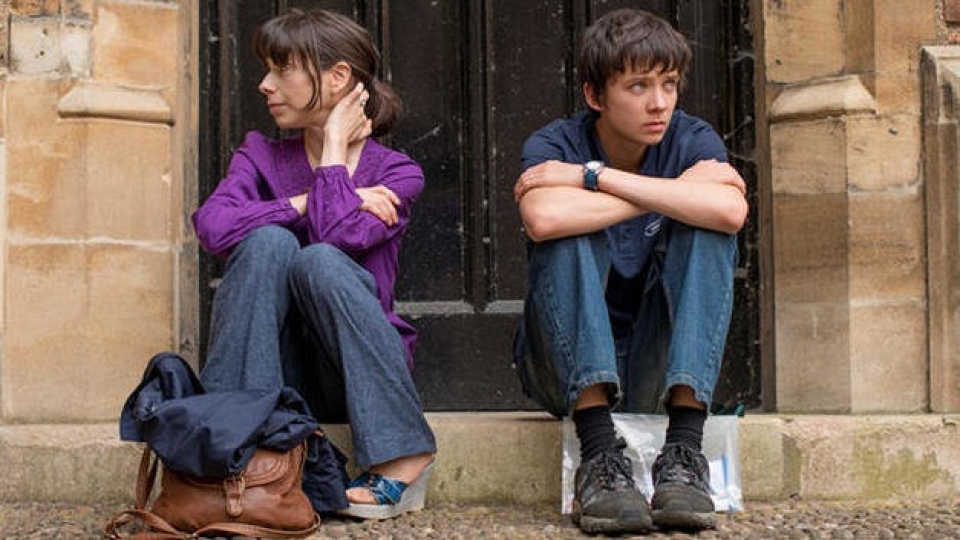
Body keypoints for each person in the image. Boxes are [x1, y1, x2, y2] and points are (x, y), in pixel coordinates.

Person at [192, 8, 436, 520]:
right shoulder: (260, 155)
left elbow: (338, 236)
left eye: (282, 69)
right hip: (268, 367)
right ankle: (234, 449)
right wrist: (303, 202)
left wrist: (332, 152)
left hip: (350, 372)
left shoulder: (397, 174)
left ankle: (403, 453)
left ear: (338, 77)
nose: (265, 85)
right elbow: (213, 228)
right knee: (267, 244)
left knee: (319, 261)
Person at [512, 8, 748, 534]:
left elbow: (731, 213)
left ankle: (684, 453)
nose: (659, 102)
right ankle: (599, 457)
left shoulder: (692, 138)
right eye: (638, 86)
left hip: (655, 363)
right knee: (567, 234)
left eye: (669, 84)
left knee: (709, 231)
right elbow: (544, 218)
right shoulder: (554, 146)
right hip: (560, 366)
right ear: (595, 96)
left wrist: (593, 180)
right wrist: (673, 193)